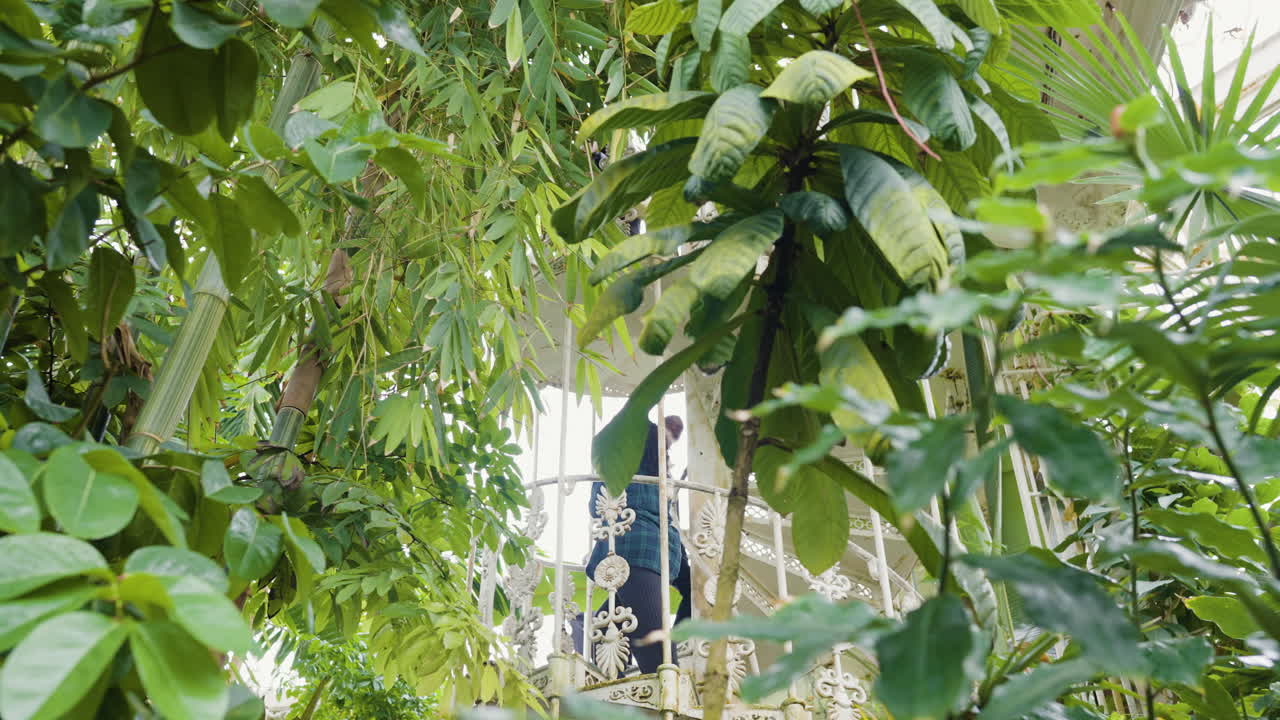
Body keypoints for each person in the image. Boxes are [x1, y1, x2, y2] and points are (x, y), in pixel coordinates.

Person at [575, 415, 691, 675]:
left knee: (659, 661)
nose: (668, 447)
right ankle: (586, 629)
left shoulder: (631, 472)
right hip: (642, 554)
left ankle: (586, 627)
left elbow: (597, 507)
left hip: (646, 553)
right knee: (662, 666)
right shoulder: (654, 476)